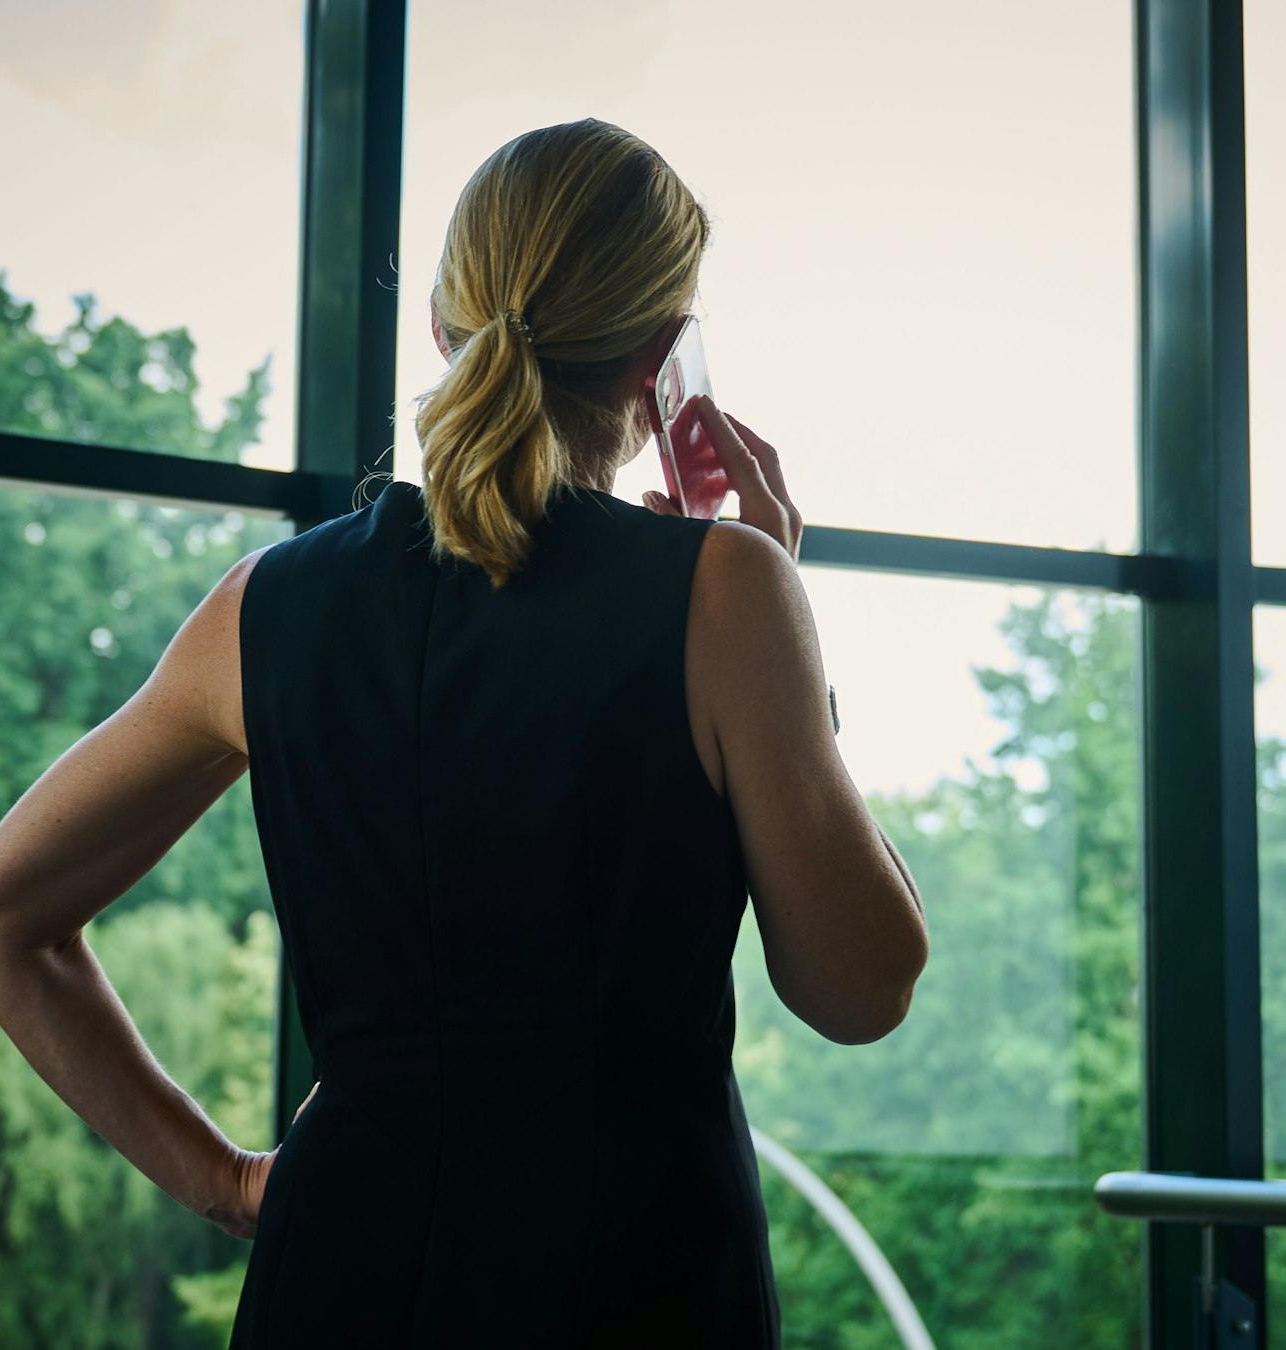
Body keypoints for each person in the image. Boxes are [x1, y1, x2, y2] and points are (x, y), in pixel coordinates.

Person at [223, 117, 930, 1347]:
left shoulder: (265, 601)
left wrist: (227, 1182)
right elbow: (860, 989)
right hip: (634, 1289)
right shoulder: (723, 591)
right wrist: (783, 630)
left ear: (442, 328)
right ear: (663, 357)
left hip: (334, 1285)